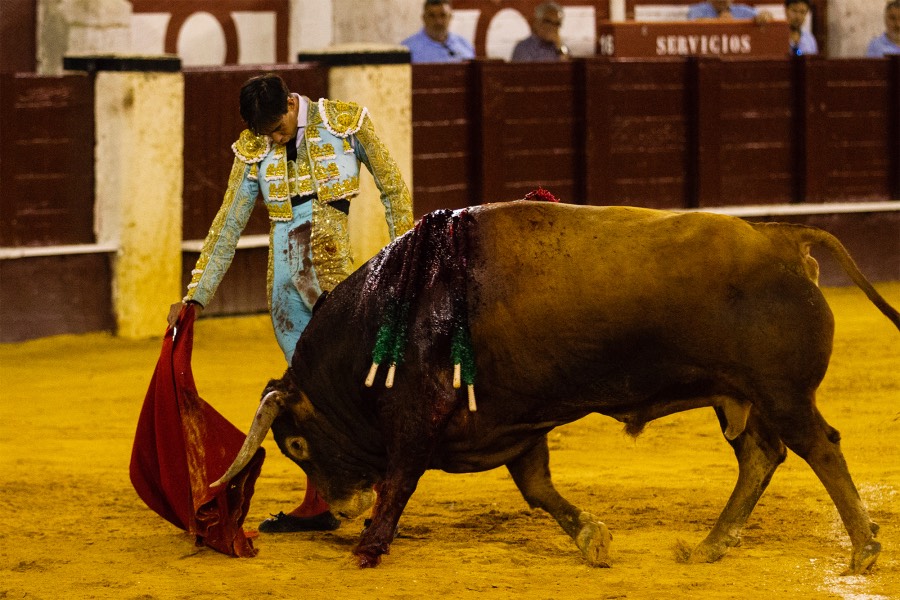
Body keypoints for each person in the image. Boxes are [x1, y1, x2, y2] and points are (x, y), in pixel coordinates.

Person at [167, 73, 414, 533]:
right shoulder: (254, 147)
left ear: (290, 104)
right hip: (284, 287)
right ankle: (321, 501)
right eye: (265, 134)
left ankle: (382, 500)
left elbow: (395, 189)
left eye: (277, 129)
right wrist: (196, 295)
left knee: (355, 387)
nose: (274, 140)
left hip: (332, 276)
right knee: (309, 399)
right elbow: (228, 224)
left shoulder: (346, 122)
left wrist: (404, 256)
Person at [401, 0, 475, 63]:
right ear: (424, 18)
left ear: (450, 17)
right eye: (432, 16)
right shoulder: (407, 49)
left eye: (443, 15)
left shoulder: (465, 46)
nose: (438, 22)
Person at [687, 0, 773, 24]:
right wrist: (720, 22)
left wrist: (765, 16)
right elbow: (694, 23)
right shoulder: (697, 9)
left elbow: (765, 16)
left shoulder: (742, 10)